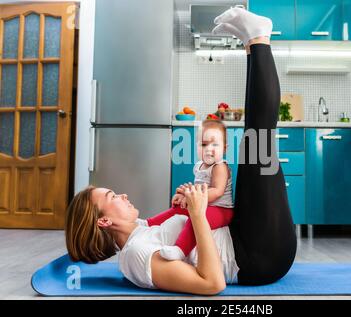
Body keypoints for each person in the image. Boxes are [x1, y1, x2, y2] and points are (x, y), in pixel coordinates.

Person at [65, 7, 297, 295]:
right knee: (258, 139)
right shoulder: (136, 257)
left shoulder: (139, 229)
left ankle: (252, 42)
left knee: (253, 138)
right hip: (258, 255)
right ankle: (258, 37)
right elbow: (212, 284)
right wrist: (198, 214)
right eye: (112, 196)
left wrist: (183, 205)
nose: (122, 194)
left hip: (243, 233)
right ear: (104, 221)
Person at [146, 119, 234, 261]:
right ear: (197, 147)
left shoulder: (220, 167)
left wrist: (192, 198)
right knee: (177, 209)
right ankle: (148, 223)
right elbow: (198, 188)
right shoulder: (199, 165)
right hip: (203, 204)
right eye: (204, 144)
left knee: (196, 218)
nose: (208, 149)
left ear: (224, 148)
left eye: (215, 144)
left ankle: (180, 249)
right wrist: (184, 194)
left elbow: (217, 191)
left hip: (220, 209)